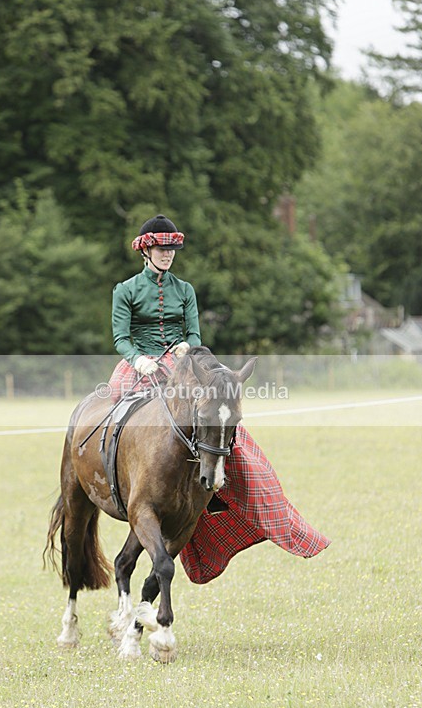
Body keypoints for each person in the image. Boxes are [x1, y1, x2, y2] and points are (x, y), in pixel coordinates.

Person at [108, 214, 330, 584]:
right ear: (146, 250)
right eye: (162, 249)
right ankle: (117, 475)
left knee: (222, 415)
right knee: (116, 416)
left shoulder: (185, 289)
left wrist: (186, 347)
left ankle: (228, 484)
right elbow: (121, 337)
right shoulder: (126, 289)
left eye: (172, 249)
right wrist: (139, 359)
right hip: (141, 365)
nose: (168, 255)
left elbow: (194, 332)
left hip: (184, 364)